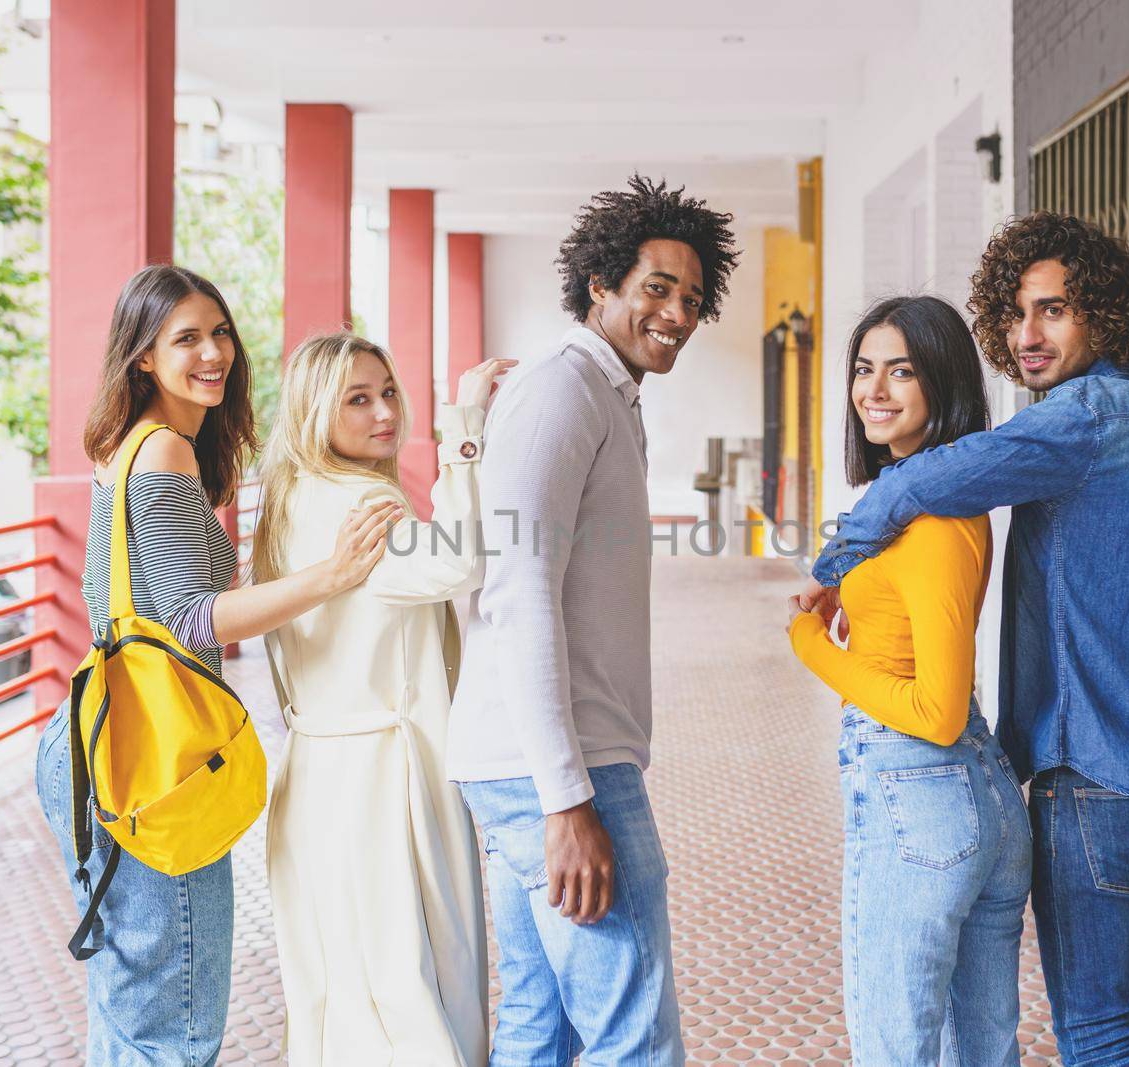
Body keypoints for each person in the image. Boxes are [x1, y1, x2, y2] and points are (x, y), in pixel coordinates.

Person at [800, 213, 1129, 1066]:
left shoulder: (1077, 424)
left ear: (1104, 317)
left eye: (1055, 311)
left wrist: (831, 563)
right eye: (1015, 314)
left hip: (1105, 779)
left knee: (1104, 1031)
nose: (1026, 335)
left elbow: (930, 473)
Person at [34, 265, 400, 1065]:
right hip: (147, 758)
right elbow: (187, 618)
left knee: (135, 1012)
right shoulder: (162, 449)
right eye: (186, 338)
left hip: (105, 741)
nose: (214, 353)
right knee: (174, 1021)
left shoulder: (129, 445)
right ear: (142, 357)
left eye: (220, 332)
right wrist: (330, 576)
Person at [446, 175, 738, 1064]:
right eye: (657, 288)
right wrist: (567, 799)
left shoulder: (604, 393)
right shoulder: (563, 390)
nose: (678, 313)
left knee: (544, 1029)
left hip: (533, 760)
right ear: (600, 286)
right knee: (634, 1038)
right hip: (560, 768)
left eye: (692, 297)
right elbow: (517, 590)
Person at [252, 330, 514, 1066]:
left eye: (388, 392)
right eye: (357, 399)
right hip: (383, 772)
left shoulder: (286, 498)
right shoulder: (360, 499)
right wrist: (464, 425)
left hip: (314, 769)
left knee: (338, 988)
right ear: (312, 411)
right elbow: (458, 561)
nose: (384, 412)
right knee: (415, 979)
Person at [787, 296, 1030, 1065]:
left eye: (902, 370)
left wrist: (809, 644)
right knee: (981, 1051)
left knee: (897, 1049)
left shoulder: (932, 520)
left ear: (943, 383)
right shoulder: (921, 500)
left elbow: (935, 709)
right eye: (864, 368)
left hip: (920, 794)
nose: (875, 389)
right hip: (975, 797)